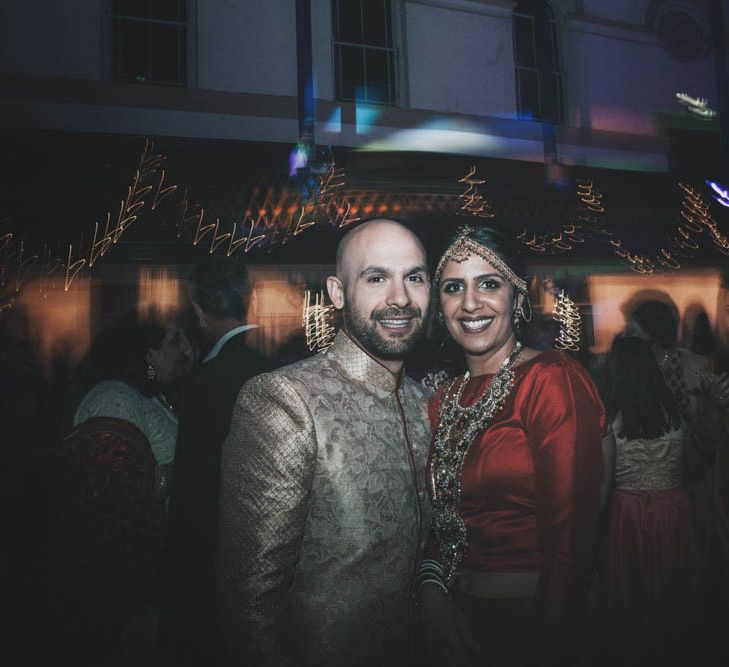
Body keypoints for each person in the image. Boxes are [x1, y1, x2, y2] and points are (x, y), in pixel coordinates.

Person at [216, 219, 432, 667]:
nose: (401, 298)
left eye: (414, 277)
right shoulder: (285, 400)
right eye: (376, 278)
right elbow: (250, 603)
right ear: (337, 293)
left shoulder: (424, 400)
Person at [417, 224, 606, 667]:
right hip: (453, 624)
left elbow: (572, 543)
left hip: (530, 625)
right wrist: (431, 592)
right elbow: (435, 525)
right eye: (453, 287)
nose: (469, 303)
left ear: (517, 298)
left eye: (489, 283)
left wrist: (552, 643)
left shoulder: (550, 379)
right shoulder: (443, 399)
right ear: (439, 305)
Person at [41, 309, 193, 666]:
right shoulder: (114, 398)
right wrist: (185, 475)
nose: (183, 351)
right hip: (120, 586)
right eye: (173, 342)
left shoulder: (148, 395)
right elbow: (112, 493)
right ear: (148, 356)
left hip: (144, 577)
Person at [160, 255, 273, 666]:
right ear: (249, 300)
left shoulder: (209, 381)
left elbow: (194, 495)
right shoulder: (280, 362)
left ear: (200, 312)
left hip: (214, 564)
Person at [601, 335, 702, 666]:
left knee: (633, 600)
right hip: (674, 510)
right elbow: (692, 463)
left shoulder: (608, 418)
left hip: (628, 513)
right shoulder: (674, 413)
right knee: (672, 595)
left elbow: (602, 482)